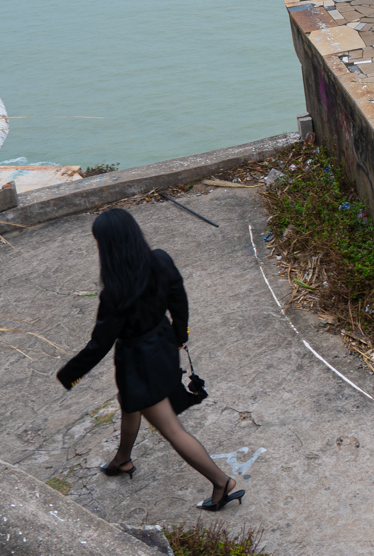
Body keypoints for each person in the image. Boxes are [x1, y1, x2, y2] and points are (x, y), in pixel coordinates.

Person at [56, 209, 243, 512]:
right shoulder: (160, 260)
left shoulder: (115, 293)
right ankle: (122, 459)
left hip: (138, 364)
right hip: (163, 346)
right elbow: (179, 300)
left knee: (172, 430)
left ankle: (221, 483)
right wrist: (180, 335)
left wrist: (69, 375)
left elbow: (99, 344)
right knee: (130, 403)